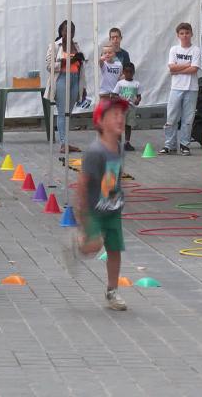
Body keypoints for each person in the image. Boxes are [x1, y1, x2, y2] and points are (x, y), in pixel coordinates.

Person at [71, 96, 130, 311]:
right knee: (93, 247)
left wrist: (120, 195)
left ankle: (112, 291)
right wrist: (81, 215)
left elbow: (116, 176)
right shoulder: (95, 152)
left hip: (113, 209)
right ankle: (76, 242)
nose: (120, 118)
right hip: (94, 209)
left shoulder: (120, 147)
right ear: (101, 122)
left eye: (122, 114)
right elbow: (83, 183)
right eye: (114, 115)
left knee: (114, 250)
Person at [45, 20, 86, 153]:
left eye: (72, 30)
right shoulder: (55, 46)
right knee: (62, 112)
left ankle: (66, 142)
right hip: (62, 78)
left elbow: (81, 69)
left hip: (75, 79)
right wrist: (65, 62)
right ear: (61, 31)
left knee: (69, 113)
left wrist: (83, 87)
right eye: (66, 30)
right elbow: (49, 66)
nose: (69, 33)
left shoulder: (76, 46)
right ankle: (63, 143)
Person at [160, 22, 200, 156]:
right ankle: (169, 145)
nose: (184, 36)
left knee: (187, 119)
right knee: (171, 117)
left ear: (191, 34)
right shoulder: (174, 50)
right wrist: (186, 65)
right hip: (176, 88)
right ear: (178, 35)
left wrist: (178, 69)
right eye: (182, 33)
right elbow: (171, 67)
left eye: (187, 33)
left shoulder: (195, 50)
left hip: (191, 88)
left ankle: (184, 144)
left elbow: (194, 68)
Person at [115, 62, 142, 151]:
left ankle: (127, 142)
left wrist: (137, 101)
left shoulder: (136, 84)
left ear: (133, 72)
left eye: (131, 72)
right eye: (127, 72)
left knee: (128, 125)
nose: (129, 74)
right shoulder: (120, 83)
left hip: (131, 107)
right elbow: (114, 94)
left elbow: (139, 95)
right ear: (123, 72)